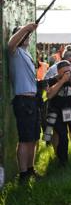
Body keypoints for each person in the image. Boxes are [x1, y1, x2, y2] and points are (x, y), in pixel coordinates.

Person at [8, 23, 42, 182]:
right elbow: (10, 44)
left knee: (34, 138)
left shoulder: (26, 54)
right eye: (24, 35)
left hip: (32, 100)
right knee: (24, 139)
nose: (27, 37)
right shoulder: (15, 52)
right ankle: (23, 174)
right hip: (23, 101)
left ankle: (30, 169)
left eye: (28, 35)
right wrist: (26, 28)